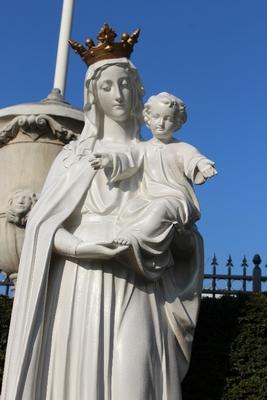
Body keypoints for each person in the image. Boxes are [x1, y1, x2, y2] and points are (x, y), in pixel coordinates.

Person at [2, 46, 207, 400]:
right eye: (108, 86)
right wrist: (82, 247)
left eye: (125, 85)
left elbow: (186, 239)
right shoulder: (73, 157)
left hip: (141, 281)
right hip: (80, 281)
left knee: (136, 378)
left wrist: (178, 236)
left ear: (138, 91)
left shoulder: (157, 155)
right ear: (93, 96)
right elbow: (43, 227)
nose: (118, 94)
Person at [116, 92, 217, 259]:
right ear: (148, 118)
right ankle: (132, 238)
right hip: (146, 198)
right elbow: (127, 161)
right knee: (129, 209)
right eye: (156, 117)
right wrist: (108, 161)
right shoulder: (142, 147)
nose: (161, 123)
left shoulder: (182, 147)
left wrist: (202, 165)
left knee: (161, 207)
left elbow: (193, 158)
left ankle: (136, 238)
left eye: (168, 119)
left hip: (176, 200)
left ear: (177, 123)